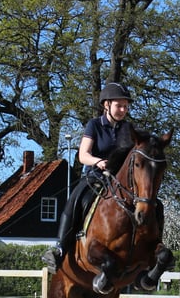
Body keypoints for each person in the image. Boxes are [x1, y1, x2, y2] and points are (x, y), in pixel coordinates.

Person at [42, 82, 134, 273]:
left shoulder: (128, 129)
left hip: (120, 181)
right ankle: (59, 249)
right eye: (119, 106)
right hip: (96, 177)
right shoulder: (94, 125)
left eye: (126, 106)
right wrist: (98, 162)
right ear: (106, 105)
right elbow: (83, 155)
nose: (123, 110)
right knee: (76, 199)